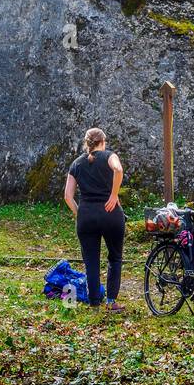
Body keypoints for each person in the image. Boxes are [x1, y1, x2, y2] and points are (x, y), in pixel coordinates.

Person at [63, 128, 126, 310]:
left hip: (87, 217)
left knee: (91, 262)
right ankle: (111, 302)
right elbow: (118, 169)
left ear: (86, 143)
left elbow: (68, 196)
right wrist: (114, 195)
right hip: (111, 214)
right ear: (103, 141)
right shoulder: (109, 156)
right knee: (114, 258)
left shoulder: (76, 163)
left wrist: (79, 213)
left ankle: (94, 304)